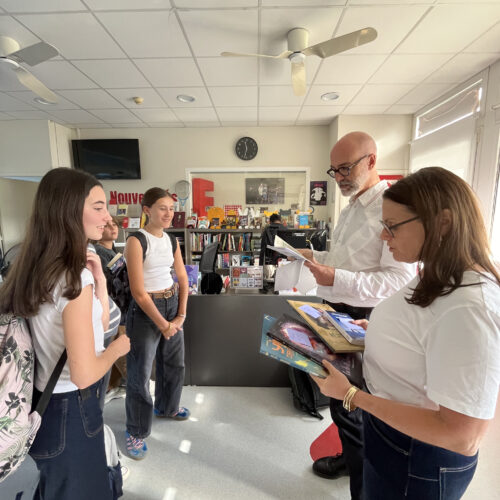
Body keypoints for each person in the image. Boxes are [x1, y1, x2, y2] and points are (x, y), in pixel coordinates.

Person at [312, 166, 500, 499]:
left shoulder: (471, 307)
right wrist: (377, 333)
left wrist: (352, 396)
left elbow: (462, 435)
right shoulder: (438, 272)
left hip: (418, 454)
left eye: (392, 226)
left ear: (442, 222)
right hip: (392, 431)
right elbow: (424, 331)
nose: (383, 237)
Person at [0, 167, 130, 500]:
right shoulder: (73, 280)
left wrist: (99, 281)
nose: (107, 216)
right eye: (98, 207)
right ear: (69, 211)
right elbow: (84, 373)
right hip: (71, 408)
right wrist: (117, 350)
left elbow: (93, 328)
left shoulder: (35, 267)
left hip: (42, 401)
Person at [299, 131, 416, 499]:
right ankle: (351, 461)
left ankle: (363, 487)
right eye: (334, 170)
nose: (339, 177)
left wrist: (336, 277)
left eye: (346, 168)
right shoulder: (351, 207)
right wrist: (316, 259)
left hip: (364, 315)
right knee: (340, 401)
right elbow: (346, 261)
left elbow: (398, 280)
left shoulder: (390, 209)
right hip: (336, 309)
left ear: (372, 160)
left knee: (354, 407)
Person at [124, 187, 189, 460]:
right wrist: (163, 324)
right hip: (145, 311)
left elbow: (182, 277)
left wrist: (181, 314)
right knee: (140, 373)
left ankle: (167, 407)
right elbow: (138, 292)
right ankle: (136, 431)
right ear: (147, 210)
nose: (168, 213)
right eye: (162, 208)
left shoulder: (172, 240)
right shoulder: (136, 240)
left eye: (171, 209)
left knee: (174, 363)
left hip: (171, 303)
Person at [95, 217, 128, 402]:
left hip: (121, 306)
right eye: (107, 226)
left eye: (114, 225)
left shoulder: (112, 250)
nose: (112, 228)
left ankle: (112, 386)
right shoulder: (99, 253)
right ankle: (134, 384)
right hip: (113, 307)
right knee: (119, 347)